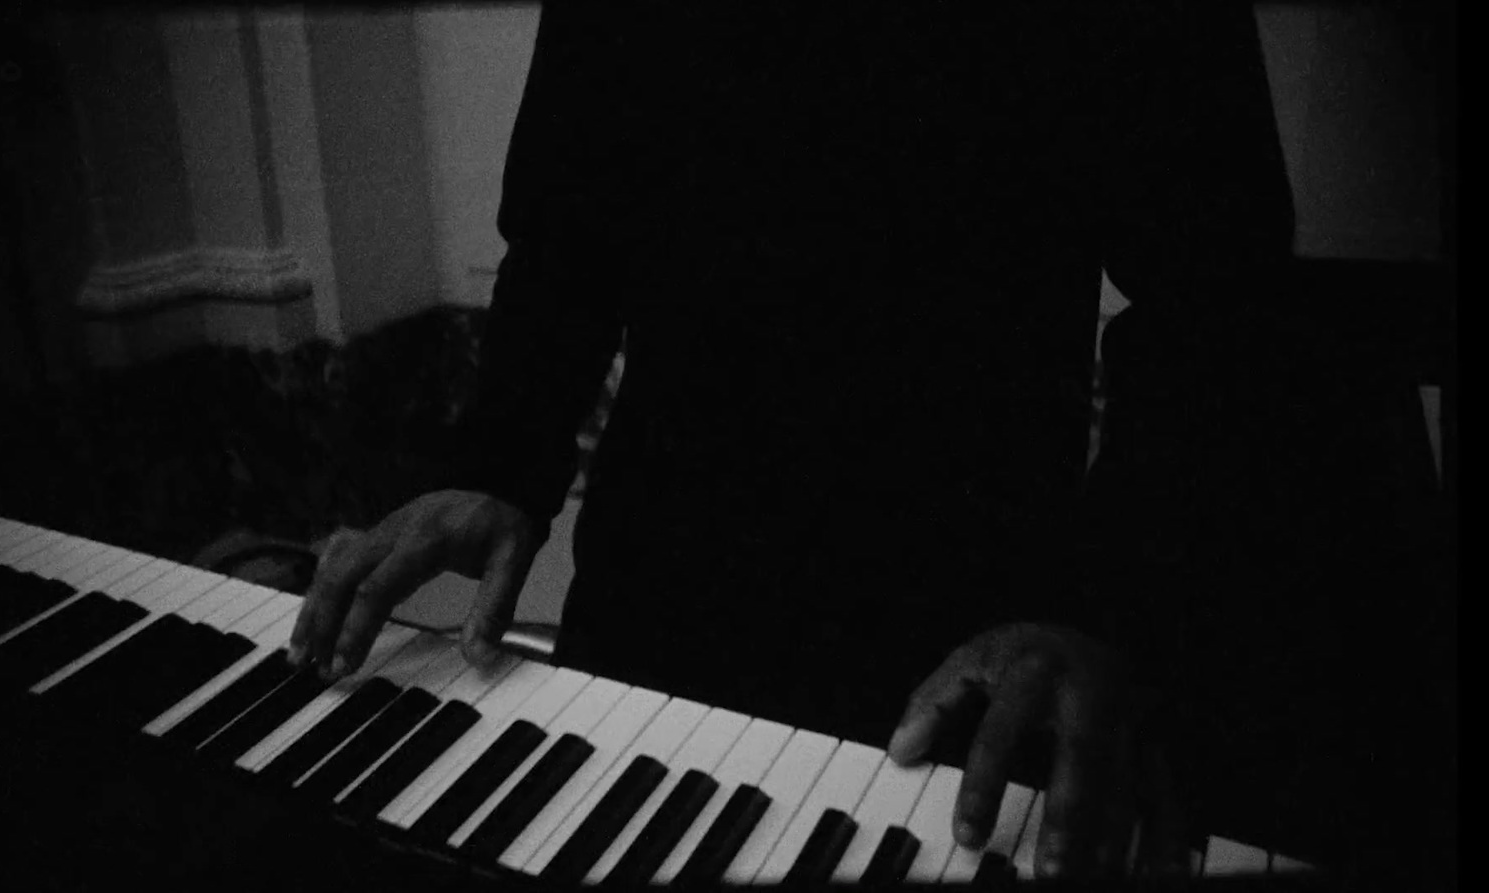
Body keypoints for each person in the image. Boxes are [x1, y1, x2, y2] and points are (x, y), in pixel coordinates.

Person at [290, 1, 1451, 880]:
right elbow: (565, 232)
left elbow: (1215, 295)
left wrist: (1108, 609)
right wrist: (500, 464)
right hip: (657, 607)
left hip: (968, 642)